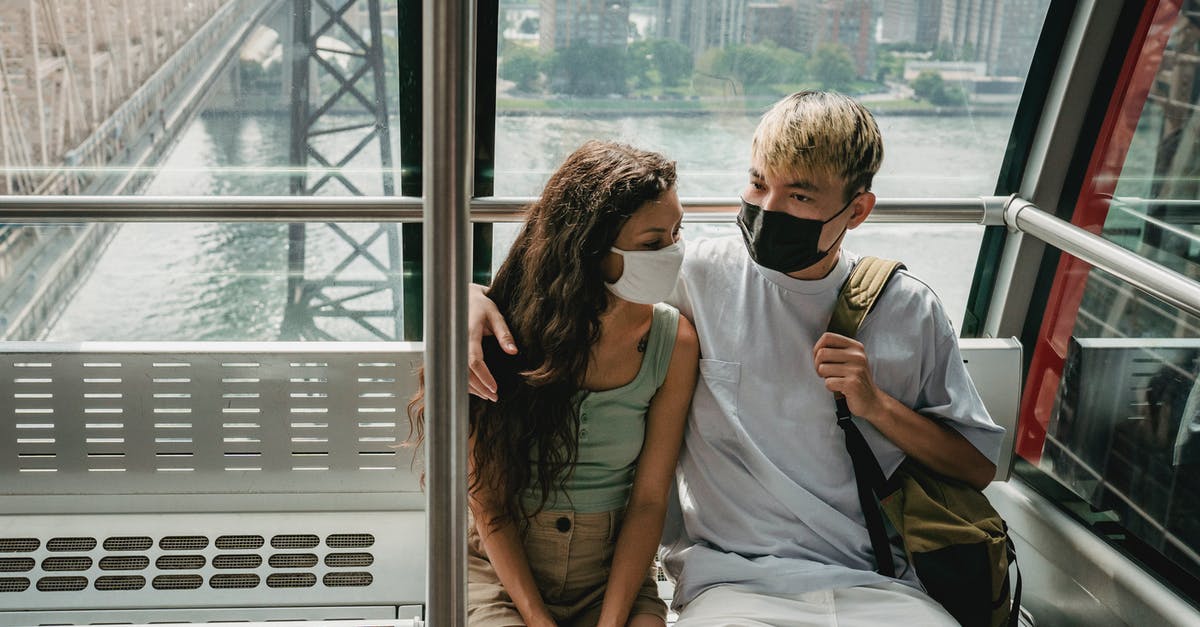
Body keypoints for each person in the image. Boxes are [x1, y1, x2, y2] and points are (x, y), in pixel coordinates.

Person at [467, 91, 1006, 625]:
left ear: (857, 210)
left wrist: (877, 406)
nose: (767, 208)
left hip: (881, 584)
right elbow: (567, 286)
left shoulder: (907, 308)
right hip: (732, 583)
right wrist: (467, 301)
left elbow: (976, 467)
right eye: (757, 183)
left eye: (798, 196)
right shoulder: (693, 275)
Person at [409, 140, 699, 627]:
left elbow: (649, 500)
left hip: (610, 576)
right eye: (652, 243)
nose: (672, 252)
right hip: (501, 573)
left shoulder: (674, 343)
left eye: (676, 232)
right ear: (591, 250)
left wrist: (611, 621)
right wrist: (537, 619)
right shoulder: (501, 333)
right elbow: (489, 504)